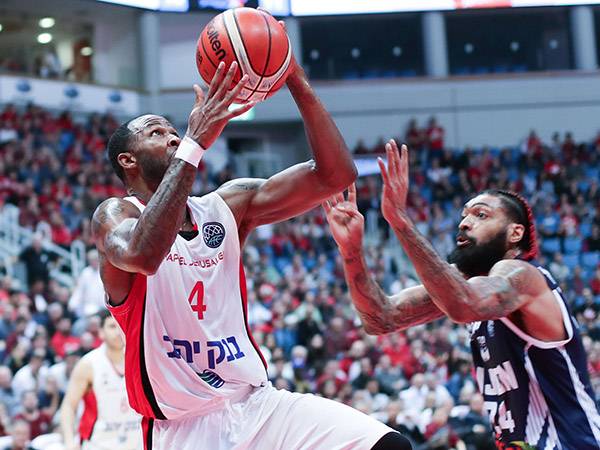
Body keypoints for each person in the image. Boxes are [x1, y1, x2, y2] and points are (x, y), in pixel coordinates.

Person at [91, 46, 409, 450]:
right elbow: (144, 255)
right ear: (128, 161)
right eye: (156, 133)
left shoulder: (227, 206)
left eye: (174, 131)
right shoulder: (115, 216)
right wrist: (193, 144)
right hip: (183, 427)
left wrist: (294, 78)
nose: (173, 136)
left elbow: (334, 175)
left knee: (389, 446)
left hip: (256, 406)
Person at [323, 140, 600, 448]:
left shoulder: (524, 278)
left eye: (481, 215)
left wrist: (399, 220)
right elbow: (380, 318)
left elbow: (464, 304)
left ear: (515, 232)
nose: (465, 223)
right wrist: (351, 251)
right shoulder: (466, 284)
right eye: (464, 215)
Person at [60, 311, 141, 450]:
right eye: (112, 326)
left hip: (136, 443)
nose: (118, 331)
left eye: (121, 325)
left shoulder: (141, 360)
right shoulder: (88, 364)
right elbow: (69, 405)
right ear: (101, 333)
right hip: (98, 443)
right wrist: (69, 441)